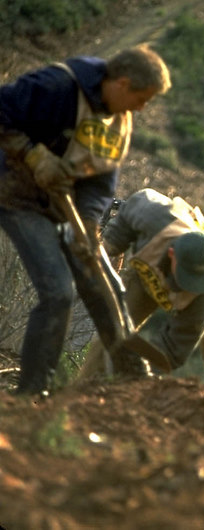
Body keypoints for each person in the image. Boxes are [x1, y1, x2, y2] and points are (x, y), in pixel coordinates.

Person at [0, 44, 171, 395]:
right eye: (141, 98)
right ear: (121, 84)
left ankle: (130, 374)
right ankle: (34, 391)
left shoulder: (119, 119)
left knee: (104, 280)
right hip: (17, 197)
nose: (142, 108)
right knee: (58, 291)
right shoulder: (58, 86)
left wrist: (91, 224)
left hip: (66, 206)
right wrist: (32, 154)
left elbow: (101, 181)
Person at [77, 188, 204, 386]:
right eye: (186, 276)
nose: (187, 285)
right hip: (149, 272)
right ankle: (79, 396)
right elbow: (134, 203)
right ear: (172, 254)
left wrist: (139, 368)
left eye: (195, 279)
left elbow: (174, 350)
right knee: (111, 332)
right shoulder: (154, 217)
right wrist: (112, 245)